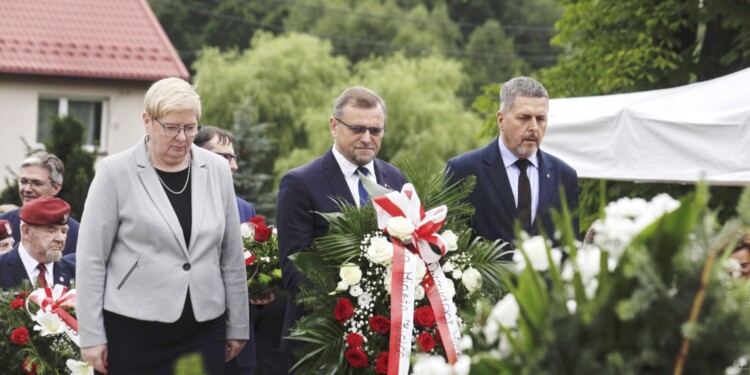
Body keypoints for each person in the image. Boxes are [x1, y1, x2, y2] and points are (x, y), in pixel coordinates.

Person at [76, 77, 249, 375]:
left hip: (204, 327)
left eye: (190, 127)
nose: (182, 137)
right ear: (147, 121)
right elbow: (91, 258)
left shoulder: (218, 169)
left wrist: (238, 325)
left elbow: (231, 254)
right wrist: (91, 335)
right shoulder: (114, 172)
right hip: (133, 328)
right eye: (171, 127)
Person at [276, 86, 407, 369]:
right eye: (358, 128)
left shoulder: (394, 178)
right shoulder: (300, 183)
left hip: (386, 340)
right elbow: (294, 269)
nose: (367, 138)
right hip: (323, 342)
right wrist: (352, 306)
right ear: (334, 126)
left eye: (376, 130)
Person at [195, 125, 288, 375]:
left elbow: (250, 266)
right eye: (224, 156)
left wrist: (261, 289)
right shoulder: (182, 204)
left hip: (237, 342)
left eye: (233, 157)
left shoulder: (244, 208)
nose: (234, 165)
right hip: (195, 334)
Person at [445, 76, 579, 247]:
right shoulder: (463, 170)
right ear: (501, 119)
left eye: (540, 119)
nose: (534, 127)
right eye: (524, 117)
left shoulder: (564, 176)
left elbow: (570, 250)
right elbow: (448, 245)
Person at [0, 152, 79, 255]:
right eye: (23, 182)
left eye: (37, 183)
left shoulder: (76, 234)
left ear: (56, 188)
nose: (27, 189)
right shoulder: (2, 223)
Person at [0, 197, 75, 289]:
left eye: (64, 231)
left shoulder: (74, 273)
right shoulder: (2, 268)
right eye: (51, 231)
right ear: (26, 231)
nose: (60, 238)